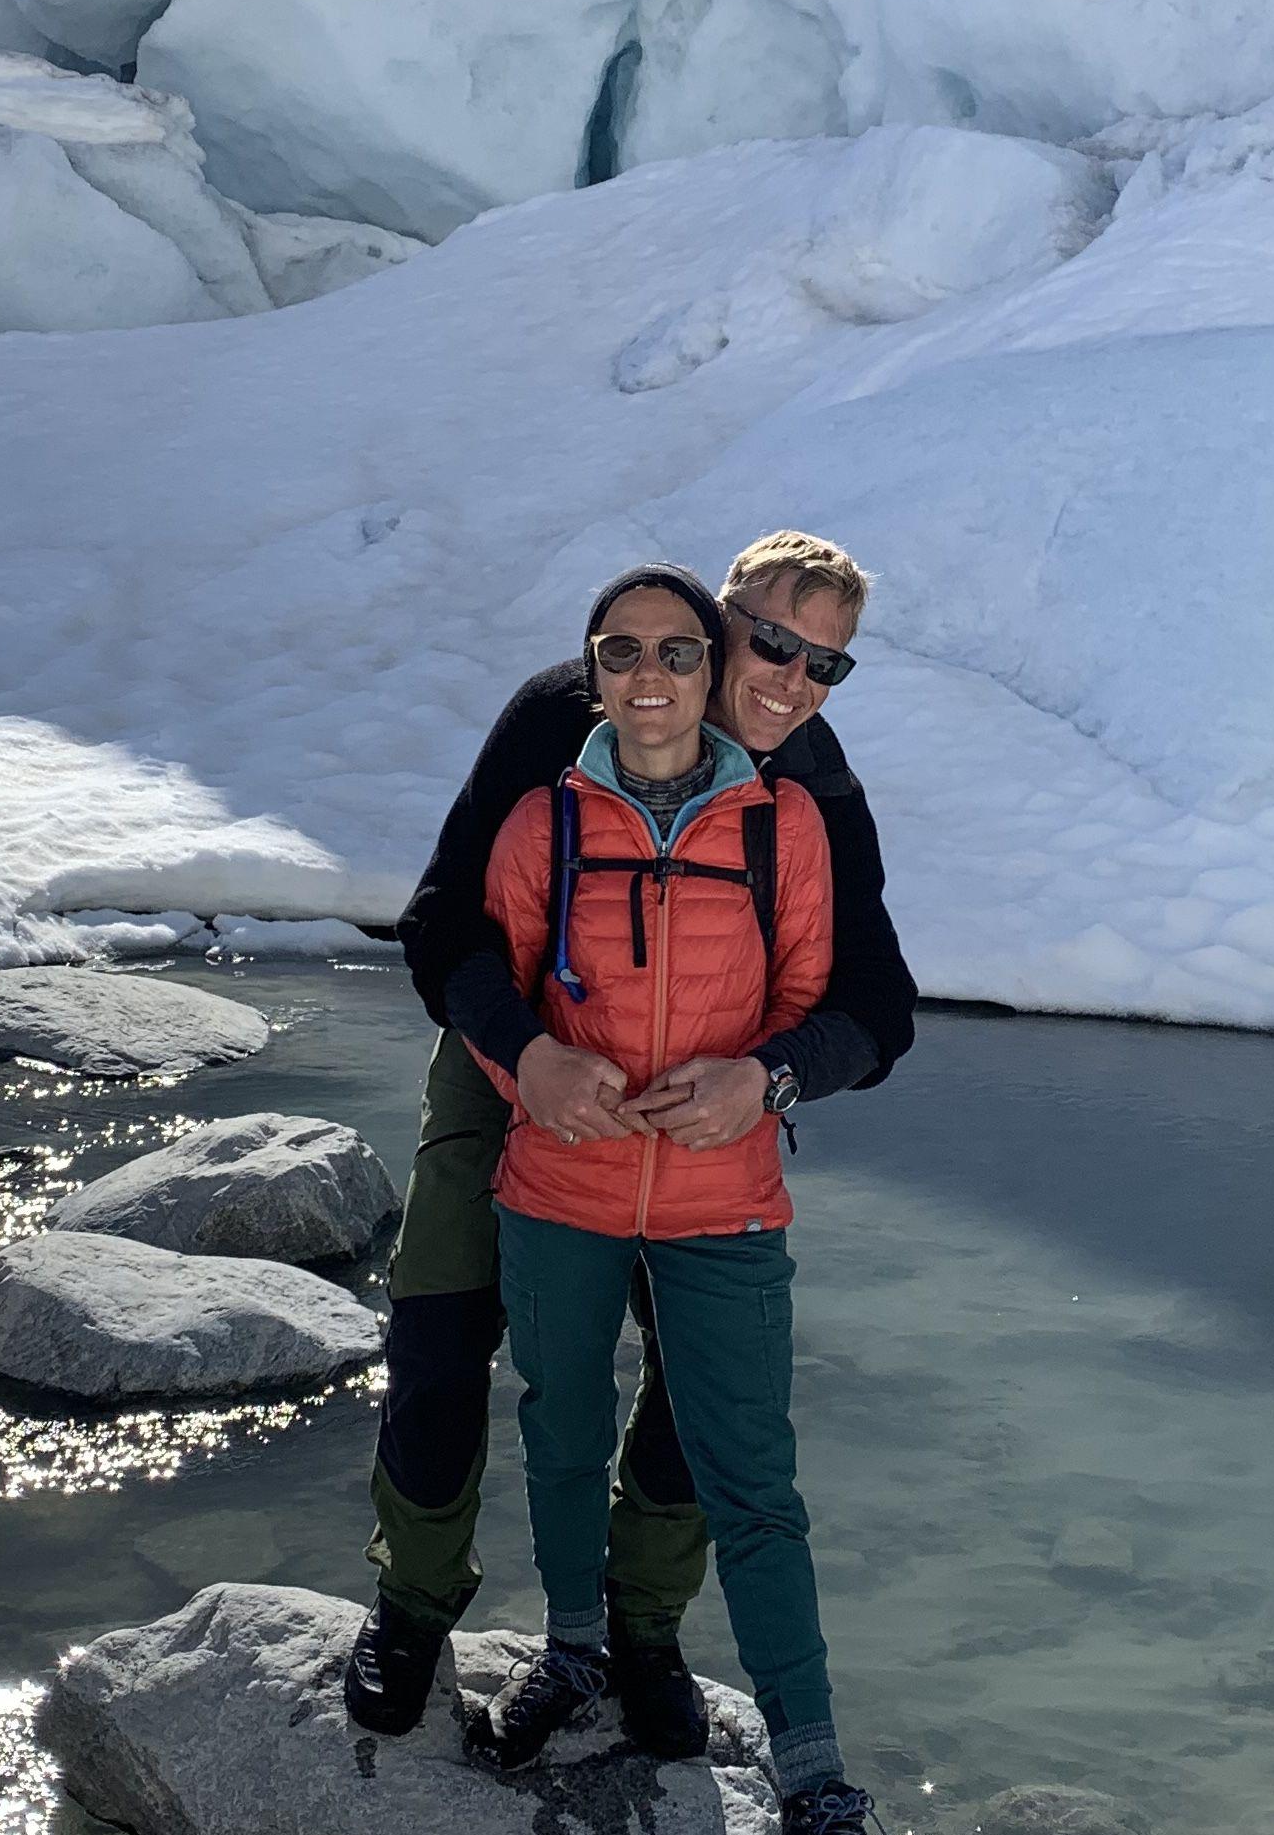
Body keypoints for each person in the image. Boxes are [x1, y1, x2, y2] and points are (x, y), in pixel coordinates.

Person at [347, 530, 916, 1750]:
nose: (788, 681)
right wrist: (528, 1059)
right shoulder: (565, 709)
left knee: (687, 1385)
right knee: (443, 1323)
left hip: (701, 1120)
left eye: (826, 665)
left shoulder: (812, 785)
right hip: (512, 1070)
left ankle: (640, 1625)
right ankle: (414, 1597)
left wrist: (768, 1079)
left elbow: (878, 1008)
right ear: (715, 624)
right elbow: (444, 923)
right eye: (769, 641)